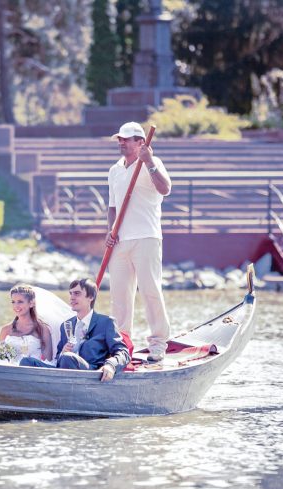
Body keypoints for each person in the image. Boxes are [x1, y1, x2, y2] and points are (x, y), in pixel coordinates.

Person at [106, 121, 173, 363]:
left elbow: (165, 189)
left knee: (150, 290)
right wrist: (110, 230)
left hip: (147, 237)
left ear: (140, 142)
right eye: (119, 139)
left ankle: (157, 344)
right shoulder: (115, 170)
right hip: (121, 241)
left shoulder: (152, 164)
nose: (121, 142)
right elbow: (112, 207)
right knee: (120, 296)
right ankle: (122, 345)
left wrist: (150, 163)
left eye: (126, 139)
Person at [20, 277, 130, 382]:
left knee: (68, 358)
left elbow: (123, 352)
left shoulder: (106, 322)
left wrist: (111, 365)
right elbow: (59, 358)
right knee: (26, 361)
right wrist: (62, 351)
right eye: (71, 293)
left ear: (90, 297)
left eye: (77, 293)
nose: (72, 297)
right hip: (62, 370)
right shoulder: (66, 325)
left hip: (89, 373)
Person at [0, 285, 52, 363]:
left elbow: (48, 361)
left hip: (33, 372)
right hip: (9, 372)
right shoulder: (6, 330)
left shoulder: (42, 329)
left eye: (20, 302)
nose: (16, 306)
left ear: (31, 304)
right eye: (13, 302)